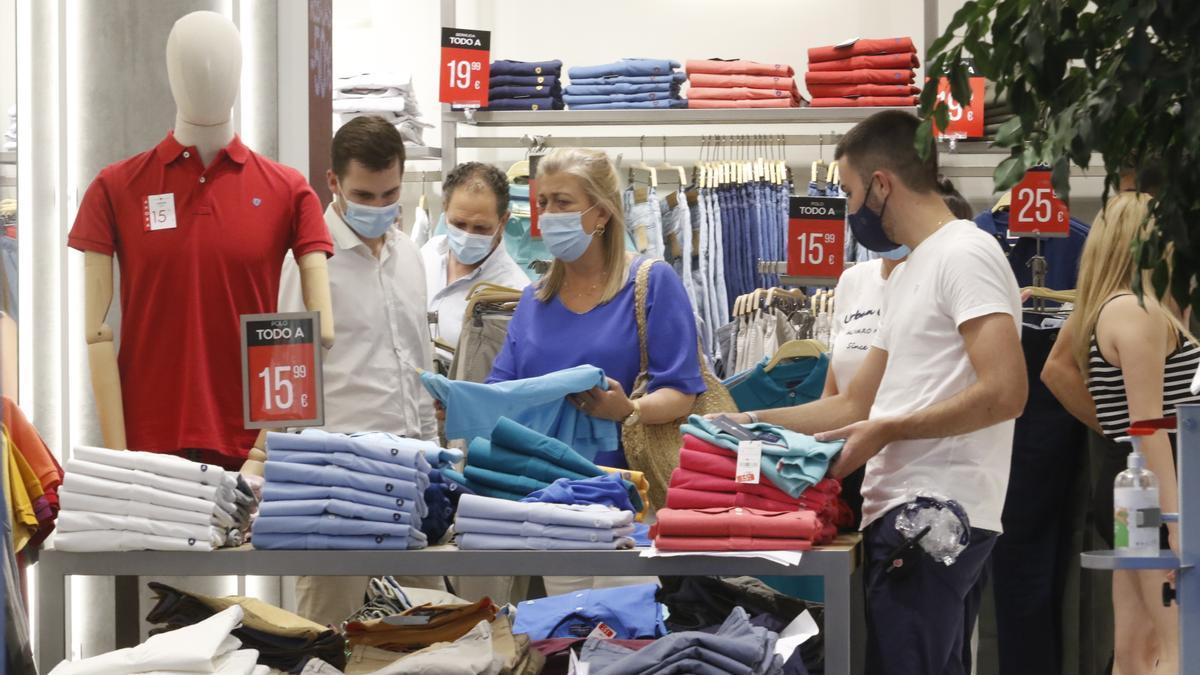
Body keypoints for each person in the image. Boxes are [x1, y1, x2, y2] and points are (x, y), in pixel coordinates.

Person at [720, 110, 1027, 675]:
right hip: (903, 513)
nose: (849, 208)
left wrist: (890, 428)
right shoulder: (910, 273)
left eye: (850, 191)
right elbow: (852, 405)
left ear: (882, 184)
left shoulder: (965, 253)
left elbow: (1006, 392)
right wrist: (741, 419)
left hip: (937, 513)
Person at [484, 147, 705, 593]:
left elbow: (683, 392)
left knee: (625, 644)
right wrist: (461, 406)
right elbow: (501, 393)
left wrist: (628, 410)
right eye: (542, 203)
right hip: (549, 505)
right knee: (563, 639)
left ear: (601, 213)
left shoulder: (650, 282)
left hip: (630, 506)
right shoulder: (533, 300)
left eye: (562, 202)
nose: (547, 216)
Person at [278, 115, 444, 627]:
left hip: (411, 475)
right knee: (330, 638)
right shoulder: (307, 265)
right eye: (364, 195)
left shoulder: (410, 257)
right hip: (334, 480)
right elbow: (288, 383)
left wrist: (436, 457)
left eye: (389, 193)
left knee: (436, 631)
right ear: (334, 184)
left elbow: (417, 369)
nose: (378, 207)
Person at [1047, 192, 1195, 675]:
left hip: (1137, 497)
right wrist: (1175, 520)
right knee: (1178, 647)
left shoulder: (1109, 308)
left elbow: (1135, 423)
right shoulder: (1137, 311)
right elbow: (1148, 424)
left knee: (1136, 650)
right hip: (1160, 495)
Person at [826, 175, 975, 527]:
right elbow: (839, 389)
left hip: (915, 466)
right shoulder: (855, 281)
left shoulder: (947, 278)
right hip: (849, 452)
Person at [420, 162, 530, 361]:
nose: (467, 235)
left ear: (503, 221)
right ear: (445, 210)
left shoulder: (514, 293)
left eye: (481, 228)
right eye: (459, 224)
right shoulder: (427, 254)